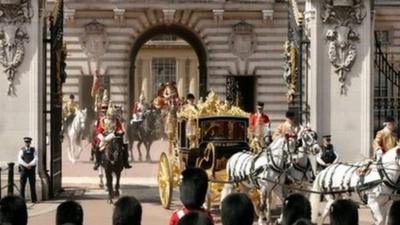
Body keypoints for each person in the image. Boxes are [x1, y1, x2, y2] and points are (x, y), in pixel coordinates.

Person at [18, 137, 38, 203]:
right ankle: (21, 199)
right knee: (22, 185)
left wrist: (30, 165)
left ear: (30, 142)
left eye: (28, 142)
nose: (27, 143)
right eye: (26, 142)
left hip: (31, 170)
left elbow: (36, 158)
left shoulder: (33, 149)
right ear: (24, 142)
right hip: (24, 170)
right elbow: (20, 160)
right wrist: (26, 165)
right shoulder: (22, 150)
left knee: (32, 185)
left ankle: (34, 199)